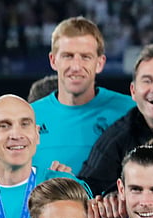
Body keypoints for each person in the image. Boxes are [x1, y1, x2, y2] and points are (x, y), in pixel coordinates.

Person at [78, 43, 153, 196]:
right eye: (147, 81)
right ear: (133, 91)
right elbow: (85, 191)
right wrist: (107, 200)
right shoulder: (116, 138)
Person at [30, 17, 135, 174]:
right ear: (53, 60)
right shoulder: (29, 116)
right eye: (68, 56)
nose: (76, 66)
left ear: (100, 63)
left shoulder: (129, 110)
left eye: (86, 57)